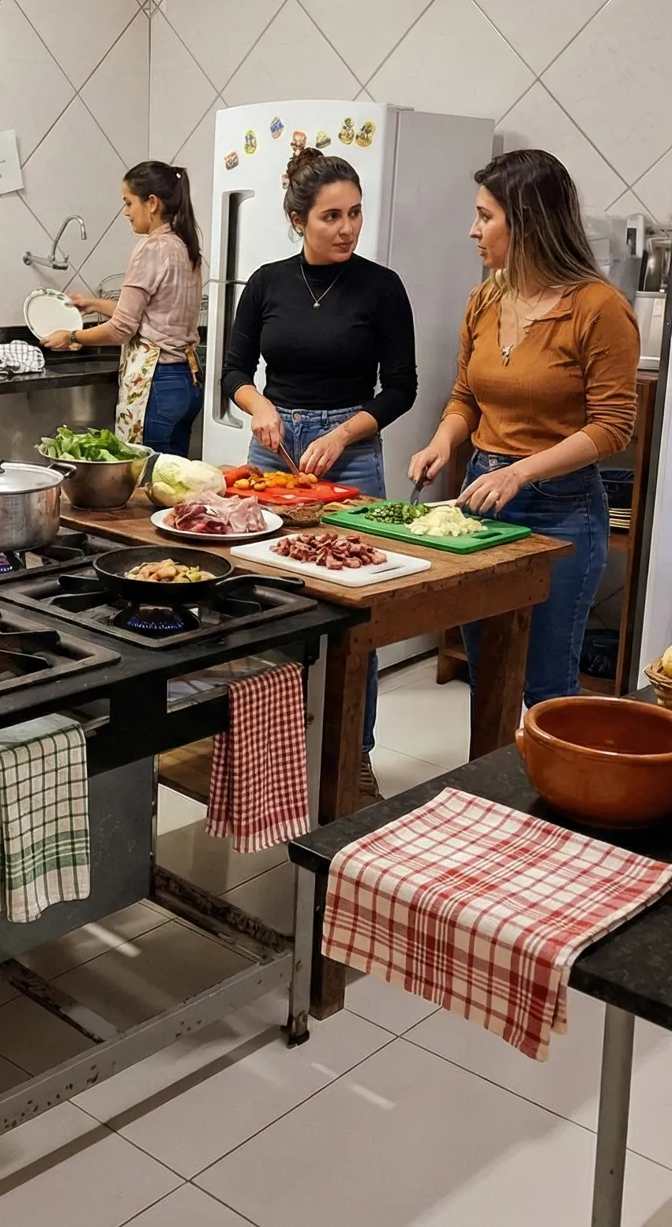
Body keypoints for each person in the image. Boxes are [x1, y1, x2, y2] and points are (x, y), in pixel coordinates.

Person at [408, 148, 638, 706]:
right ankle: (483, 794)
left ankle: (542, 793)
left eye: (486, 216)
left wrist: (521, 473)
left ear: (528, 222)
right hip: (480, 501)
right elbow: (466, 396)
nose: (473, 230)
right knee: (487, 677)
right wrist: (443, 440)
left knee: (544, 687)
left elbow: (613, 427)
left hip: (560, 509)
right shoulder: (484, 298)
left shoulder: (598, 308)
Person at [221, 145, 417, 799]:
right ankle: (264, 749)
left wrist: (342, 432)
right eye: (331, 215)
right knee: (262, 595)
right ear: (299, 218)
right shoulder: (268, 282)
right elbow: (233, 374)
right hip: (271, 453)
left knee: (354, 607)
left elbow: (402, 389)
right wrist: (261, 408)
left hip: (351, 451)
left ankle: (352, 754)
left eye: (355, 213)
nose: (347, 228)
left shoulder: (381, 287)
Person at [39, 160, 204, 456]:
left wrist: (73, 337)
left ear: (151, 203)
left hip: (157, 383)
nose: (126, 212)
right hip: (186, 383)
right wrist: (98, 304)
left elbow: (122, 329)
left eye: (128, 202)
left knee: (145, 481)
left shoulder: (151, 248)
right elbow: (157, 313)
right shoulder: (184, 246)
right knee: (172, 484)